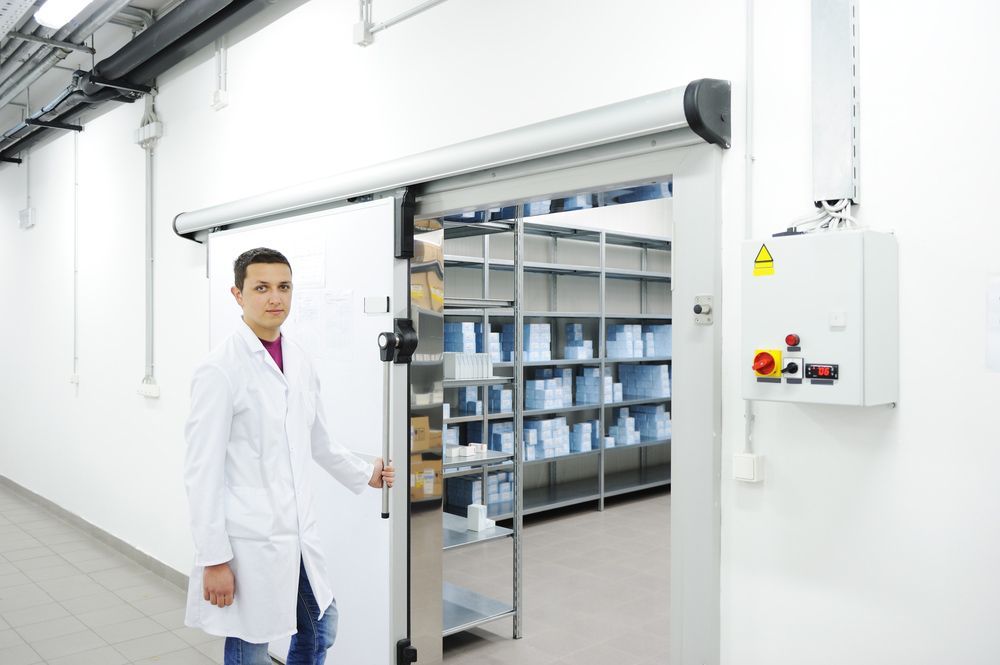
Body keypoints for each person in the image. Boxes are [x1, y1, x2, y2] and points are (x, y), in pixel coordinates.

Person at [183, 247, 394, 665]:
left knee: (320, 628)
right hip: (249, 539)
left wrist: (364, 472)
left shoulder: (298, 359)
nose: (274, 297)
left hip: (296, 532)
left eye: (283, 287)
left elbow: (317, 439)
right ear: (238, 294)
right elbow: (200, 472)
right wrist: (214, 559)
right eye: (261, 287)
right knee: (250, 643)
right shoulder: (220, 369)